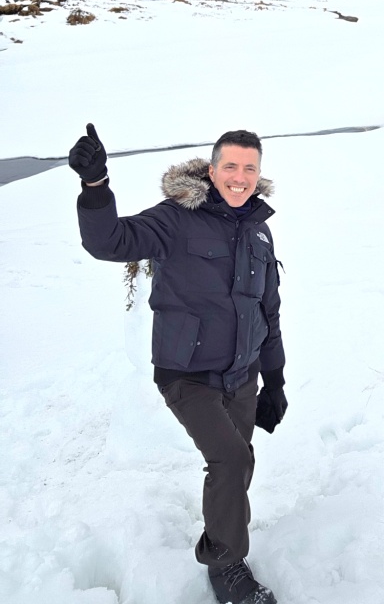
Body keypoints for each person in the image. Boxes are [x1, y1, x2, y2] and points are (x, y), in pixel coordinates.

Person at [69, 124, 286, 604]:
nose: (240, 176)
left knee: (237, 463)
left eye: (250, 168)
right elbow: (110, 242)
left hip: (242, 374)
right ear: (211, 170)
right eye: (230, 166)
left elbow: (267, 313)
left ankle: (221, 532)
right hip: (187, 374)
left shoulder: (260, 232)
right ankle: (225, 564)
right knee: (230, 459)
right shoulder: (177, 218)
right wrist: (95, 187)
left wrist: (275, 380)